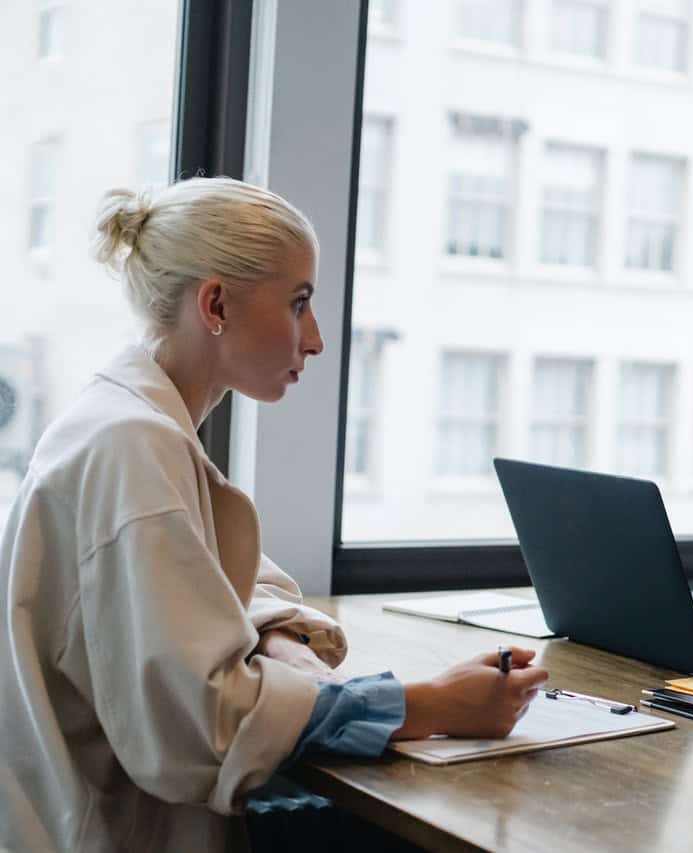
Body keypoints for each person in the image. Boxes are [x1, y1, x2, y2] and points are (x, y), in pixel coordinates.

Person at [0, 177, 548, 852]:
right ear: (216, 303)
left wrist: (277, 641)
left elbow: (232, 587)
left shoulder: (129, 420)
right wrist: (433, 703)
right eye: (299, 303)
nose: (314, 339)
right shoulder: (131, 446)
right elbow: (209, 726)